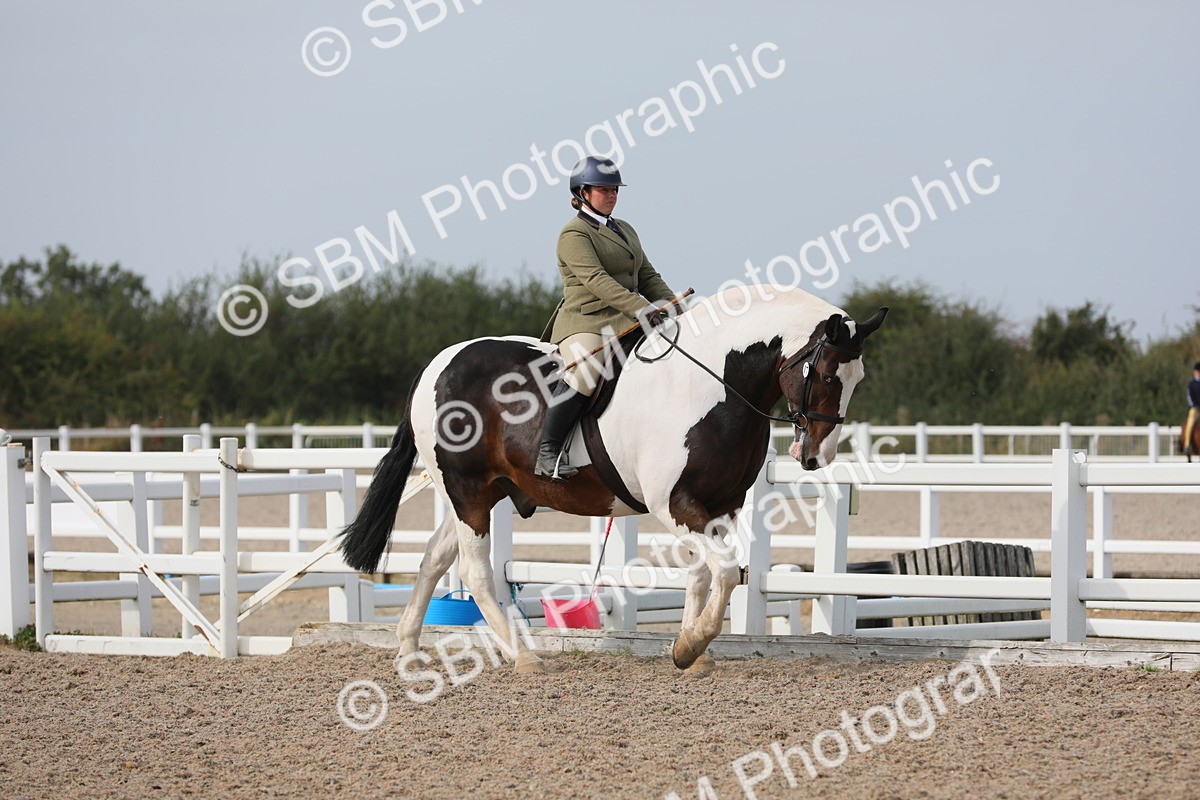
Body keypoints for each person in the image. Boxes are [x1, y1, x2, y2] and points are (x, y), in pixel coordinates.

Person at [535, 156, 676, 479]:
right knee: (586, 372)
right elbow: (597, 280)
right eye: (604, 189)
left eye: (615, 190)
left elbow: (647, 275)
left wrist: (672, 306)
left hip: (626, 319)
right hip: (587, 321)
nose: (611, 195)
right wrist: (641, 308)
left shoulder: (625, 229)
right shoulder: (574, 234)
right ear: (583, 193)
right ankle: (548, 451)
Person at [1185, 361, 1200, 455]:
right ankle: (1187, 445)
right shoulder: (1191, 383)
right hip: (1195, 408)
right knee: (1190, 423)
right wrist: (1193, 405)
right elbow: (1189, 396)